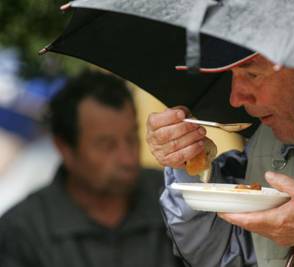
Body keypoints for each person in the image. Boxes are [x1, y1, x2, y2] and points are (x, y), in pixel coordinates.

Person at [146, 52, 294, 267]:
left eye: (252, 74)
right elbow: (224, 253)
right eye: (232, 74)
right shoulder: (266, 142)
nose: (235, 99)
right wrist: (189, 160)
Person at [0, 71, 184, 267]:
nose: (127, 158)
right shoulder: (22, 230)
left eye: (132, 138)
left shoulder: (173, 200)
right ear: (65, 149)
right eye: (106, 145)